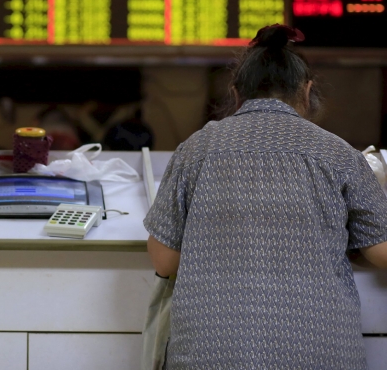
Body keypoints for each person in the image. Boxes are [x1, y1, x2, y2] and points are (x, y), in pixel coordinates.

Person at [144, 24, 387, 370]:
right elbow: (381, 251)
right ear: (306, 91)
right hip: (320, 354)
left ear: (236, 92)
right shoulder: (338, 154)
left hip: (209, 355)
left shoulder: (197, 149)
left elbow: (164, 261)